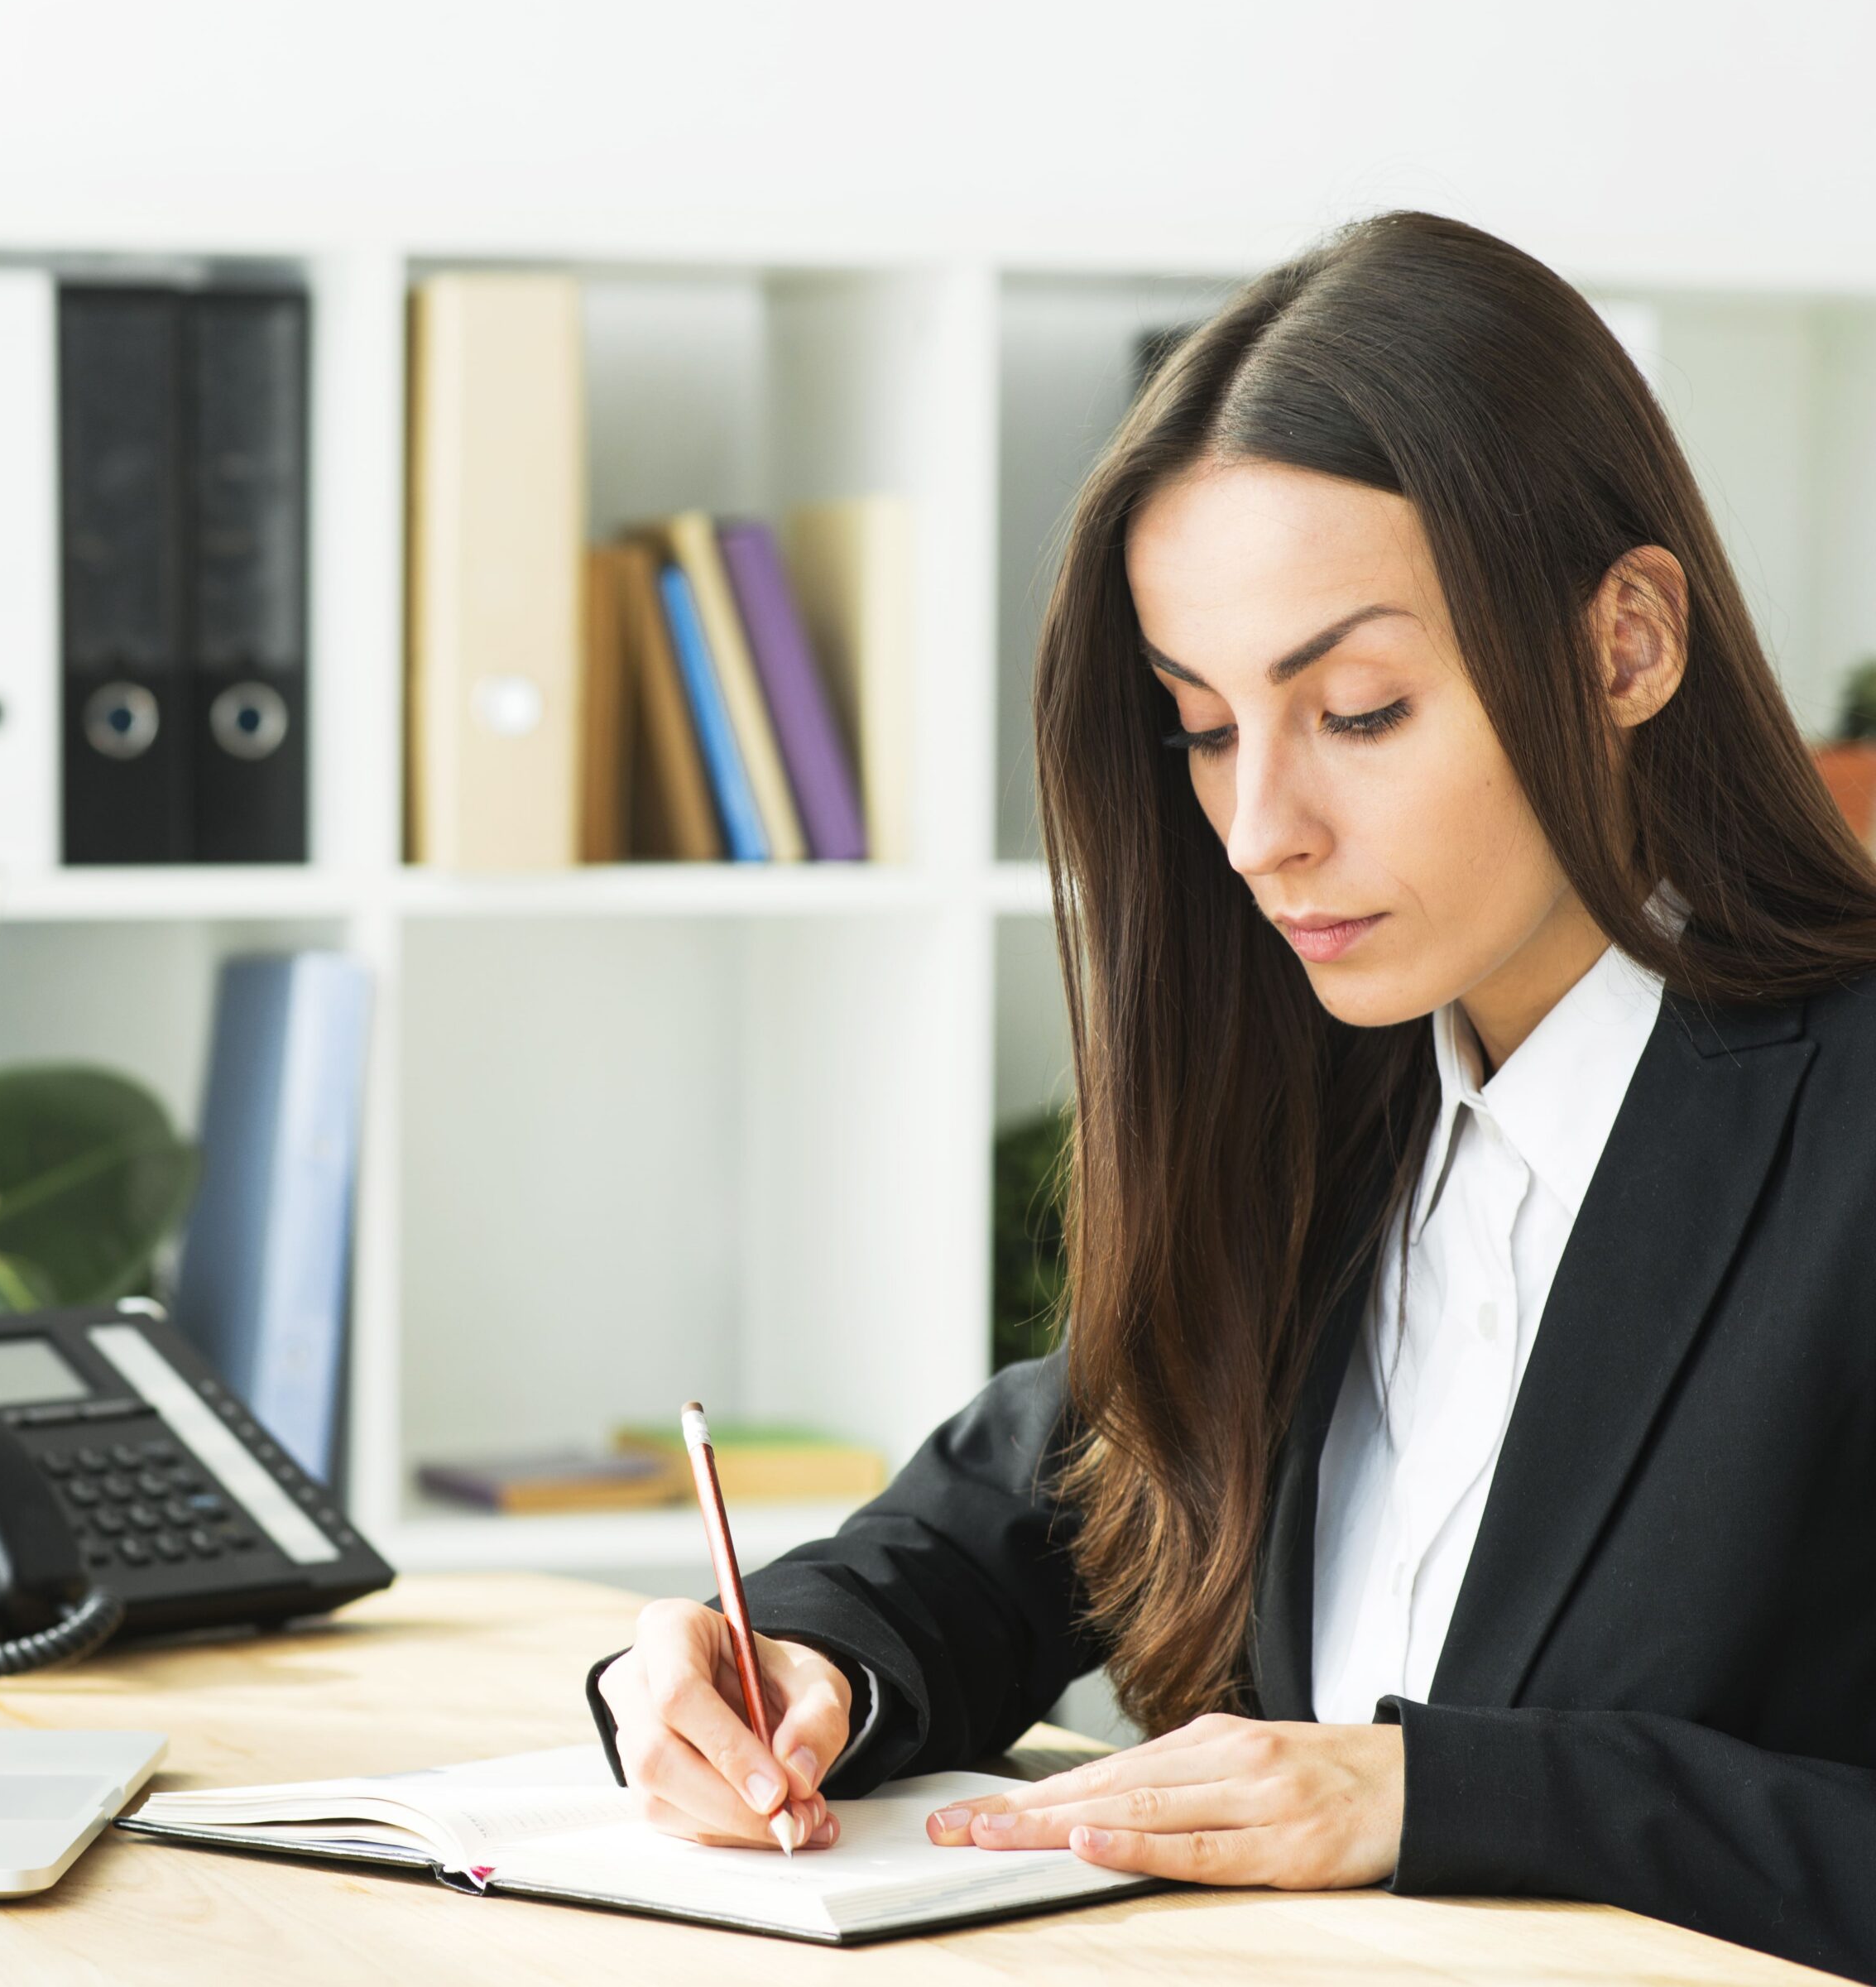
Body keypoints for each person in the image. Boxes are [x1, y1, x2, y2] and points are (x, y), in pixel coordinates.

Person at [587, 210, 1876, 1981]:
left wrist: (1439, 1797)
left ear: (1623, 646)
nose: (1259, 827)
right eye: (1200, 726)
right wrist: (793, 1668)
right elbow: (1008, 1522)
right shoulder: (1331, 1105)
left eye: (1356, 709)